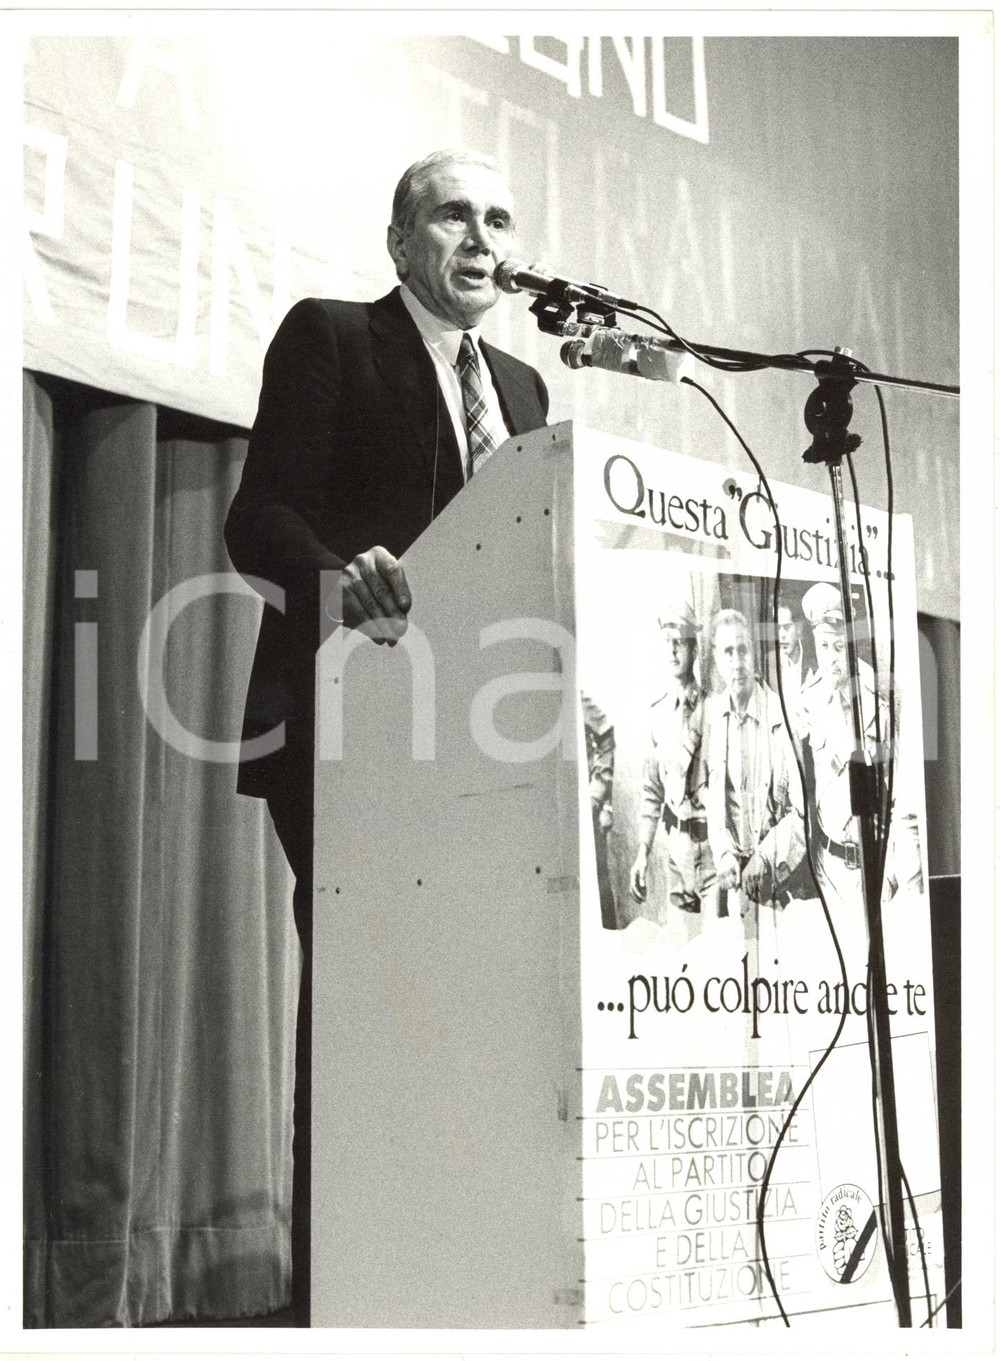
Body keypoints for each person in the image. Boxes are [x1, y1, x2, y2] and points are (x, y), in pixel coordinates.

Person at [224, 149, 549, 1323]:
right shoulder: (333, 337)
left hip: (480, 740)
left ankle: (454, 1272)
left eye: (499, 218)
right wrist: (341, 579)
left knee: (462, 1011)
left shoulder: (522, 385)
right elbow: (257, 514)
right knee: (367, 1008)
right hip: (345, 721)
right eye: (454, 214)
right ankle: (343, 1293)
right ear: (401, 241)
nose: (480, 236)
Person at [796, 582, 923, 909]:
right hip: (827, 866)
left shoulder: (881, 700)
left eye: (839, 647)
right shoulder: (807, 701)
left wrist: (896, 877)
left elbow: (902, 799)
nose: (831, 659)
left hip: (875, 867)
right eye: (824, 647)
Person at [704, 609, 806, 919]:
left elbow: (801, 813)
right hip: (738, 885)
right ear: (717, 660)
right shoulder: (714, 719)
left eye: (742, 649)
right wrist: (724, 856)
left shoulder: (782, 716)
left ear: (754, 651)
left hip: (781, 878)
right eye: (727, 652)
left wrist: (764, 859)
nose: (737, 662)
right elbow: (715, 805)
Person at [630, 601, 715, 916]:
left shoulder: (714, 708)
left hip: (713, 851)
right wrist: (643, 853)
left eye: (680, 641)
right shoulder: (656, 715)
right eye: (667, 641)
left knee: (723, 943)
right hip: (676, 851)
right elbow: (652, 792)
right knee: (687, 946)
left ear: (694, 649)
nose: (673, 650)